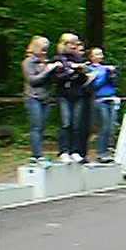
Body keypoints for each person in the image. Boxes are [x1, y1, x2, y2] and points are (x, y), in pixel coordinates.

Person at [21, 35, 60, 165]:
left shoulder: (46, 62)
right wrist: (47, 71)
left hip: (46, 98)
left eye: (46, 49)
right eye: (42, 49)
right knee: (36, 126)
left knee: (42, 126)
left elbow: (52, 81)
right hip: (33, 98)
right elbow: (32, 80)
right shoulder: (28, 62)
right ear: (35, 48)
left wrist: (55, 70)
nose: (44, 52)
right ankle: (36, 155)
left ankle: (39, 154)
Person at [53, 33, 91, 163]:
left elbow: (85, 78)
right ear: (65, 44)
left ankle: (76, 151)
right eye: (71, 43)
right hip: (64, 94)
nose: (74, 46)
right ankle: (64, 151)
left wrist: (80, 71)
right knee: (66, 123)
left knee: (77, 123)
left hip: (78, 94)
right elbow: (56, 77)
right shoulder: (57, 59)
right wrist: (71, 71)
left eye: (76, 43)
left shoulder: (80, 59)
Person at [88, 47, 119, 163]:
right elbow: (95, 84)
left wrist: (112, 74)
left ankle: (108, 149)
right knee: (104, 126)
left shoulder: (106, 68)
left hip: (111, 98)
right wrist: (105, 73)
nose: (100, 56)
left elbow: (114, 84)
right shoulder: (90, 69)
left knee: (111, 127)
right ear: (91, 57)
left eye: (101, 54)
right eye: (96, 54)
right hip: (99, 99)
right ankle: (101, 152)